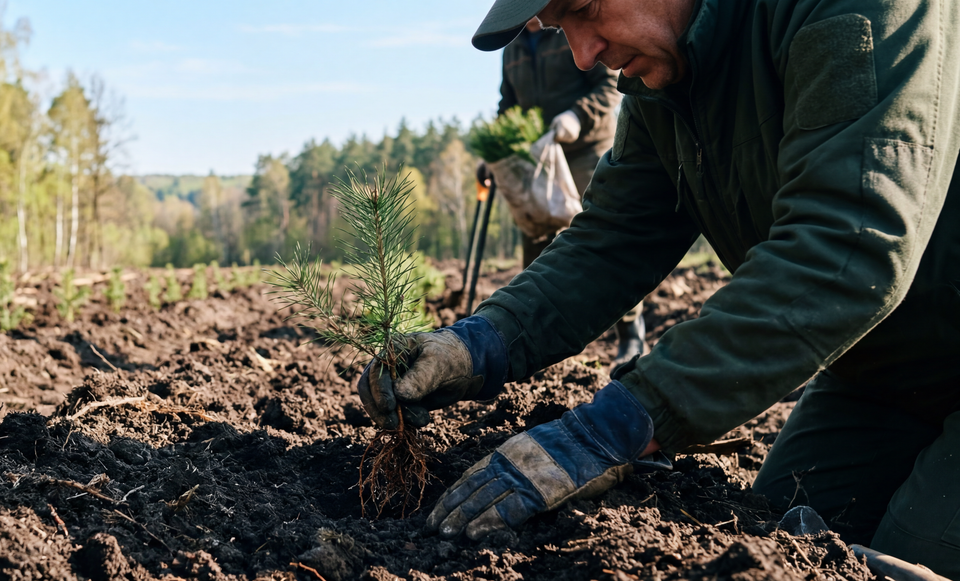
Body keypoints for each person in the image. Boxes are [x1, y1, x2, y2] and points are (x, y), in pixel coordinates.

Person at [358, 0, 960, 576]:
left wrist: (616, 427)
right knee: (782, 541)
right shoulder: (666, 77)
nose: (583, 57)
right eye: (560, 27)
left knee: (914, 557)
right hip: (880, 375)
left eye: (587, 10)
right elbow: (615, 238)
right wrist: (482, 342)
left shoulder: (850, 7)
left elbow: (848, 244)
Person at [483, 16, 646, 365]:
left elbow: (608, 87)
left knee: (605, 236)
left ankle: (630, 332)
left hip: (587, 147)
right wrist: (495, 151)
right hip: (538, 154)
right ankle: (532, 336)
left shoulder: (566, 25)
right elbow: (507, 104)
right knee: (536, 240)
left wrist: (575, 117)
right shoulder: (511, 45)